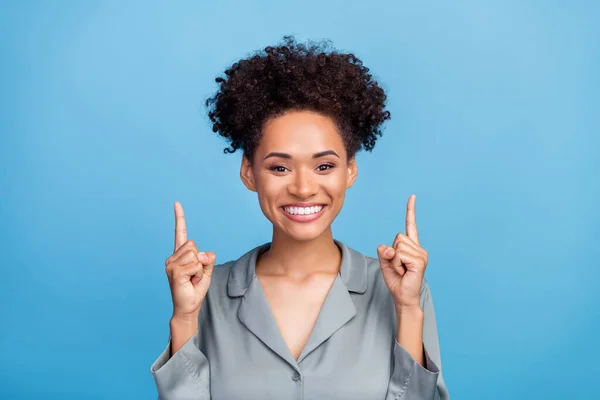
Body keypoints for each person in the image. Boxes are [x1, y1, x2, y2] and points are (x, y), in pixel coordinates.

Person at [150, 35, 450, 400]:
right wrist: (183, 317)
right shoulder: (206, 292)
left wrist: (407, 310)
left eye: (324, 165)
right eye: (280, 168)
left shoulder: (400, 289)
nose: (304, 188)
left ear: (350, 171)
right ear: (248, 173)